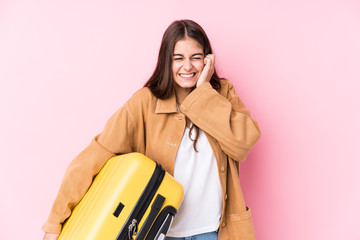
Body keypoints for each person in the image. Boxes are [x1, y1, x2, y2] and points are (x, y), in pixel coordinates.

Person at [42, 19, 261, 240]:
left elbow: (245, 141)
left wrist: (203, 91)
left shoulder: (221, 93)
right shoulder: (144, 103)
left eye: (196, 57)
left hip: (213, 232)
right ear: (167, 61)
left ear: (207, 60)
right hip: (160, 233)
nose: (188, 66)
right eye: (178, 58)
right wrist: (54, 223)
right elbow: (92, 158)